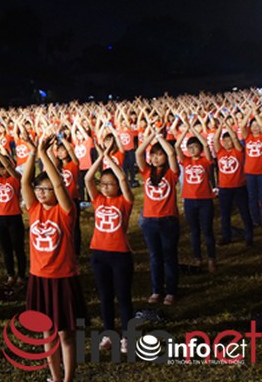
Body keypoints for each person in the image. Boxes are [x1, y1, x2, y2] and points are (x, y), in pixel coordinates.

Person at [21, 133, 86, 382]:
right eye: (39, 189)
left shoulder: (66, 212)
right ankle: (55, 378)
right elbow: (25, 182)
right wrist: (31, 154)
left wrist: (43, 154)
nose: (41, 192)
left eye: (46, 189)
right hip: (39, 278)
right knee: (47, 332)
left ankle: (68, 378)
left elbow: (59, 185)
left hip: (63, 278)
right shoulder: (34, 208)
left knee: (66, 334)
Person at [85, 143, 134, 354]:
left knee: (123, 296)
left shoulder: (125, 201)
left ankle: (127, 336)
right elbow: (88, 178)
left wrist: (110, 160)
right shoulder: (98, 200)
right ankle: (107, 333)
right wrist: (101, 157)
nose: (105, 187)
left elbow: (123, 178)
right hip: (99, 253)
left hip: (120, 254)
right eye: (103, 184)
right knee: (105, 296)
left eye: (110, 184)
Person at [136, 125, 180, 305]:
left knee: (169, 256)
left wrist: (160, 138)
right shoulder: (147, 172)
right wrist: (150, 137)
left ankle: (170, 291)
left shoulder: (171, 173)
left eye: (158, 154)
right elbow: (139, 153)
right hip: (149, 220)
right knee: (155, 256)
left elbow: (171, 153)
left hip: (168, 219)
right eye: (153, 154)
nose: (155, 158)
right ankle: (157, 290)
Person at [174, 117, 216, 272]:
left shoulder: (206, 161)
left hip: (205, 199)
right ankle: (197, 258)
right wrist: (186, 130)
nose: (192, 149)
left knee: (207, 230)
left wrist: (195, 132)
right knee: (194, 231)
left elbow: (205, 144)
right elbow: (177, 145)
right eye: (189, 147)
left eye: (195, 147)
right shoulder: (186, 161)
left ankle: (211, 258)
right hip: (190, 200)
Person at [0, 141, 26, 287]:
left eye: (4, 168)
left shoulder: (15, 179)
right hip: (0, 218)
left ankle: (21, 275)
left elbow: (10, 168)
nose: (2, 171)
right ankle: (10, 274)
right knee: (6, 249)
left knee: (18, 248)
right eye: (0, 169)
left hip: (14, 217)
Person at [215, 116, 253, 247]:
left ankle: (249, 236)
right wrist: (221, 125)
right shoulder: (220, 152)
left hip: (239, 186)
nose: (227, 143)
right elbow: (215, 139)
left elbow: (236, 139)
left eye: (229, 140)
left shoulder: (238, 151)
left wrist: (228, 126)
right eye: (224, 141)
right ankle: (226, 236)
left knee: (244, 211)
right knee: (225, 213)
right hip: (224, 187)